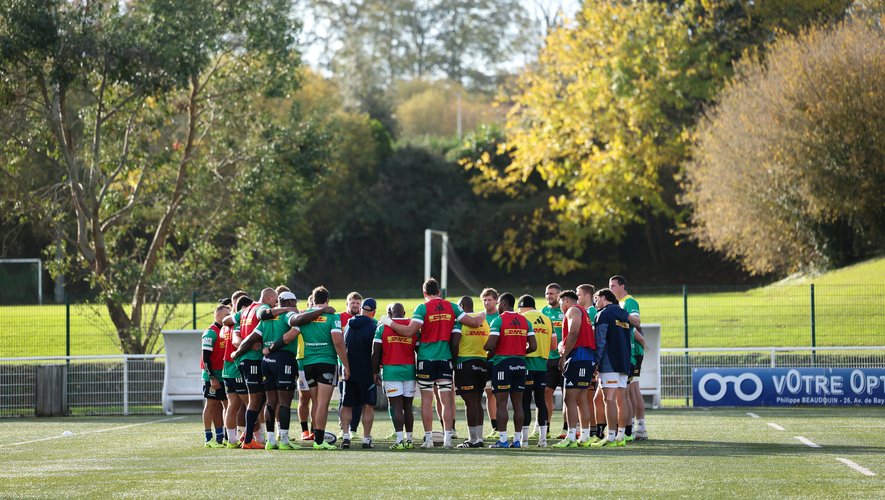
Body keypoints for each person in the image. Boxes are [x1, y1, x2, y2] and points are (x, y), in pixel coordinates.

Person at [382, 277, 485, 449]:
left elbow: (408, 331)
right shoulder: (452, 306)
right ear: (439, 292)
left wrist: (388, 321)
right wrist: (483, 314)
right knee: (446, 400)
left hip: (426, 360)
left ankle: (429, 440)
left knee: (427, 401)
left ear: (424, 293)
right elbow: (474, 323)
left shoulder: (422, 308)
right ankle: (447, 440)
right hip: (445, 359)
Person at [271, 286, 346, 450]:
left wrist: (270, 349)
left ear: (313, 299)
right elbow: (338, 342)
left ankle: (313, 436)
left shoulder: (304, 317)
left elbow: (288, 337)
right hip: (326, 362)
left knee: (315, 402)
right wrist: (346, 365)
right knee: (323, 403)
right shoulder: (332, 316)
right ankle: (319, 441)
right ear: (327, 300)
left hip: (307, 364)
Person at [484, 293, 537, 448]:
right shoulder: (525, 321)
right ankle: (517, 440)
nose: (498, 306)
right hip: (521, 364)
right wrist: (519, 352)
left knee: (501, 403)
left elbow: (490, 345)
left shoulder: (498, 320)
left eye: (499, 303)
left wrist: (485, 349)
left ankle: (502, 440)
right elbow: (533, 346)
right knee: (518, 403)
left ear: (504, 303)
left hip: (502, 364)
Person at [552, 290, 597, 448]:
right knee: (581, 399)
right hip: (586, 358)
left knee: (569, 399)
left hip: (578, 358)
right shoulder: (584, 312)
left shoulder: (573, 310)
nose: (560, 309)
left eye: (560, 304)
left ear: (565, 301)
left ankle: (571, 436)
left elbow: (574, 332)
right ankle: (584, 437)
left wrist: (563, 355)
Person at [590, 288, 632, 447]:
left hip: (609, 363)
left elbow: (600, 341)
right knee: (621, 399)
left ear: (604, 298)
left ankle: (611, 437)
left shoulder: (603, 314)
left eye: (596, 299)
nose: (595, 302)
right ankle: (621, 436)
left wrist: (596, 362)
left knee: (609, 400)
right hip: (624, 362)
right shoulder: (622, 313)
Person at [373, 302, 416, 450]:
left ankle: (399, 441)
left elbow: (375, 352)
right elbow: (418, 348)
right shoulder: (412, 326)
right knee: (408, 406)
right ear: (404, 312)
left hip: (391, 371)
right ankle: (409, 440)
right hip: (409, 370)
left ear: (389, 314)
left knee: (396, 405)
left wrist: (374, 372)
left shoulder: (382, 327)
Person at [609, 275, 647, 440]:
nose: (611, 289)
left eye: (613, 286)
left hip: (634, 352)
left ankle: (641, 428)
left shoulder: (629, 301)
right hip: (627, 351)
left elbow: (636, 322)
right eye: (609, 287)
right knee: (627, 390)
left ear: (622, 286)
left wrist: (640, 349)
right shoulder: (618, 304)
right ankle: (630, 427)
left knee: (633, 389)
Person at [451, 296, 490, 448]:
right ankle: (479, 438)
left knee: (470, 403)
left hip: (465, 363)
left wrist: (453, 361)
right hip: (482, 363)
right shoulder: (483, 321)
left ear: (460, 306)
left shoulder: (460, 322)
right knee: (477, 401)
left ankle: (472, 439)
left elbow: (455, 342)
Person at [340, 297, 379, 449]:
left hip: (349, 371)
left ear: (362, 308)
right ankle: (366, 439)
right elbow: (376, 352)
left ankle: (345, 436)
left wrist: (345, 366)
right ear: (374, 312)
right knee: (367, 406)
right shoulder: (374, 326)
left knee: (347, 405)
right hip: (367, 372)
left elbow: (342, 346)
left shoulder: (349, 324)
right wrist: (375, 372)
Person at [517, 294, 555, 447]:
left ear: (522, 307)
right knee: (541, 402)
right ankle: (543, 440)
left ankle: (524, 440)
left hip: (527, 364)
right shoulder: (547, 319)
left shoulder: (523, 318)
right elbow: (553, 346)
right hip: (542, 365)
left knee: (525, 402)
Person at [221, 293, 250, 448]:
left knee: (233, 405)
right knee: (251, 404)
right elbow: (237, 342)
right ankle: (253, 437)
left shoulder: (227, 325)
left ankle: (232, 440)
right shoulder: (238, 324)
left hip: (227, 369)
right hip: (236, 367)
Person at [540, 283, 566, 439]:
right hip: (548, 359)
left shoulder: (566, 311)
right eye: (547, 293)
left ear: (559, 295)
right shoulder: (543, 312)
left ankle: (566, 428)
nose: (548, 296)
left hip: (564, 358)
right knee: (546, 393)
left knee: (567, 395)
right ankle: (545, 427)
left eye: (551, 293)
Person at [201, 304, 229, 448]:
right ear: (218, 316)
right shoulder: (210, 333)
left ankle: (222, 436)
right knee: (211, 405)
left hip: (224, 375)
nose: (228, 317)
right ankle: (208, 438)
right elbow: (205, 358)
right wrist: (212, 378)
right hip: (212, 376)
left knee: (226, 405)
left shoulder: (225, 331)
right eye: (226, 315)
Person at [339, 291, 364, 436]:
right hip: (342, 362)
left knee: (359, 398)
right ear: (347, 304)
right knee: (344, 397)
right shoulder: (339, 318)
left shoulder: (364, 319)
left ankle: (353, 428)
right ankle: (344, 429)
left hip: (359, 363)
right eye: (352, 302)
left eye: (357, 303)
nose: (355, 305)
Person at [479, 288, 501, 440]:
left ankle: (502, 426)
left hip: (498, 360)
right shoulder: (480, 317)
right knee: (489, 393)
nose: (487, 303)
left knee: (500, 394)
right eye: (484, 300)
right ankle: (495, 427)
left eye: (489, 300)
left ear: (496, 301)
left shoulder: (501, 317)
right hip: (484, 360)